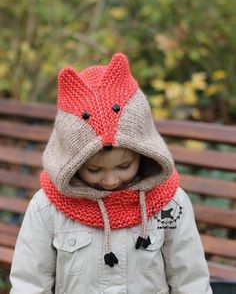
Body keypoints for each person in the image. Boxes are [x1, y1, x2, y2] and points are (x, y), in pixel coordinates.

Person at [10, 53, 212, 294]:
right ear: (72, 161)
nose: (110, 180)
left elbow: (190, 279)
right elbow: (30, 283)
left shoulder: (170, 204)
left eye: (124, 166)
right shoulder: (48, 207)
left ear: (143, 153)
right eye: (94, 170)